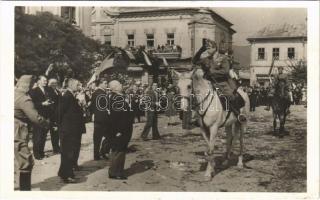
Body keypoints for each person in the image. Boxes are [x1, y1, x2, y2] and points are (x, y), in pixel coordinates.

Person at [192, 39, 246, 122]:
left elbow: (225, 71)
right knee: (198, 95)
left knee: (230, 95)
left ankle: (238, 114)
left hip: (222, 82)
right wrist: (201, 50)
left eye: (209, 48)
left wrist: (212, 72)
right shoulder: (206, 59)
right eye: (206, 48)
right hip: (209, 82)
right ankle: (198, 116)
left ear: (214, 48)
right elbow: (194, 61)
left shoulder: (223, 58)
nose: (207, 50)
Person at [14, 75, 49, 190]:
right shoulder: (24, 99)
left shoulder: (13, 94)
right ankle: (25, 191)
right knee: (26, 162)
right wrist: (48, 124)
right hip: (17, 131)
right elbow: (35, 117)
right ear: (28, 85)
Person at [56, 78, 86, 183]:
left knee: (70, 152)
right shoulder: (67, 96)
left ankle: (64, 172)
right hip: (68, 130)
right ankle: (67, 175)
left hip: (72, 129)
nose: (79, 87)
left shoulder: (71, 96)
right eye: (77, 85)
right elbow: (60, 112)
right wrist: (60, 127)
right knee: (68, 153)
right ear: (72, 85)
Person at [108, 80, 134, 180]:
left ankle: (114, 171)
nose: (122, 86)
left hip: (121, 128)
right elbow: (116, 116)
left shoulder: (118, 97)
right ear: (115, 87)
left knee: (117, 150)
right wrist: (118, 130)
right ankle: (117, 172)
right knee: (119, 151)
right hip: (120, 129)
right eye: (119, 84)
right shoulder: (116, 98)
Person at [29, 75, 52, 160]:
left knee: (43, 135)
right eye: (44, 80)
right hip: (37, 116)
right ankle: (37, 154)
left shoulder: (47, 90)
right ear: (38, 81)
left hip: (46, 116)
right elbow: (32, 104)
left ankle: (41, 153)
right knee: (37, 136)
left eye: (46, 80)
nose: (45, 82)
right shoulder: (33, 91)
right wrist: (43, 104)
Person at [90, 78, 110, 160]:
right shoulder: (101, 93)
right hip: (103, 118)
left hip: (98, 118)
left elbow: (92, 106)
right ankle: (103, 152)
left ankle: (96, 155)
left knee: (97, 138)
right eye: (105, 83)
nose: (106, 85)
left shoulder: (95, 93)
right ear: (101, 83)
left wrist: (93, 114)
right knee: (108, 136)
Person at [47, 78, 61, 154]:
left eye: (55, 83)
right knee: (54, 132)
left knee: (58, 131)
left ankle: (57, 146)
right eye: (52, 83)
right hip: (53, 113)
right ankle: (55, 148)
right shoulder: (49, 91)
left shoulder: (58, 91)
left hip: (58, 113)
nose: (54, 84)